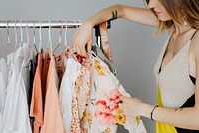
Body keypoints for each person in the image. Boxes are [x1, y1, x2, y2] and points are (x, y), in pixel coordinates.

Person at [72, 0, 199, 132]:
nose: (151, 5)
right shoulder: (173, 25)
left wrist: (142, 109)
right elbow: (120, 10)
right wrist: (88, 23)